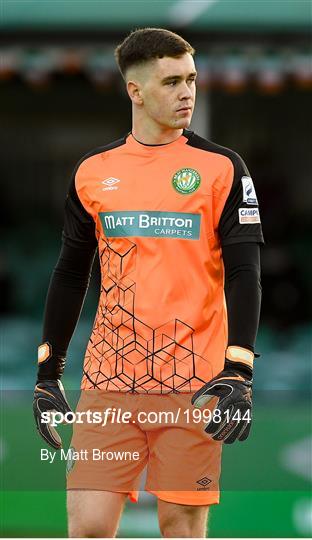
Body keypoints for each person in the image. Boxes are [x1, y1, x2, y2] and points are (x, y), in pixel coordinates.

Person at [33, 28, 264, 538]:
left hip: (195, 383)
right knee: (88, 527)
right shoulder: (93, 172)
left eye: (192, 80)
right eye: (172, 82)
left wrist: (239, 368)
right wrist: (48, 373)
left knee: (180, 527)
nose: (187, 93)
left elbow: (245, 272)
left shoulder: (223, 168)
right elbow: (71, 272)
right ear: (135, 92)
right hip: (108, 381)